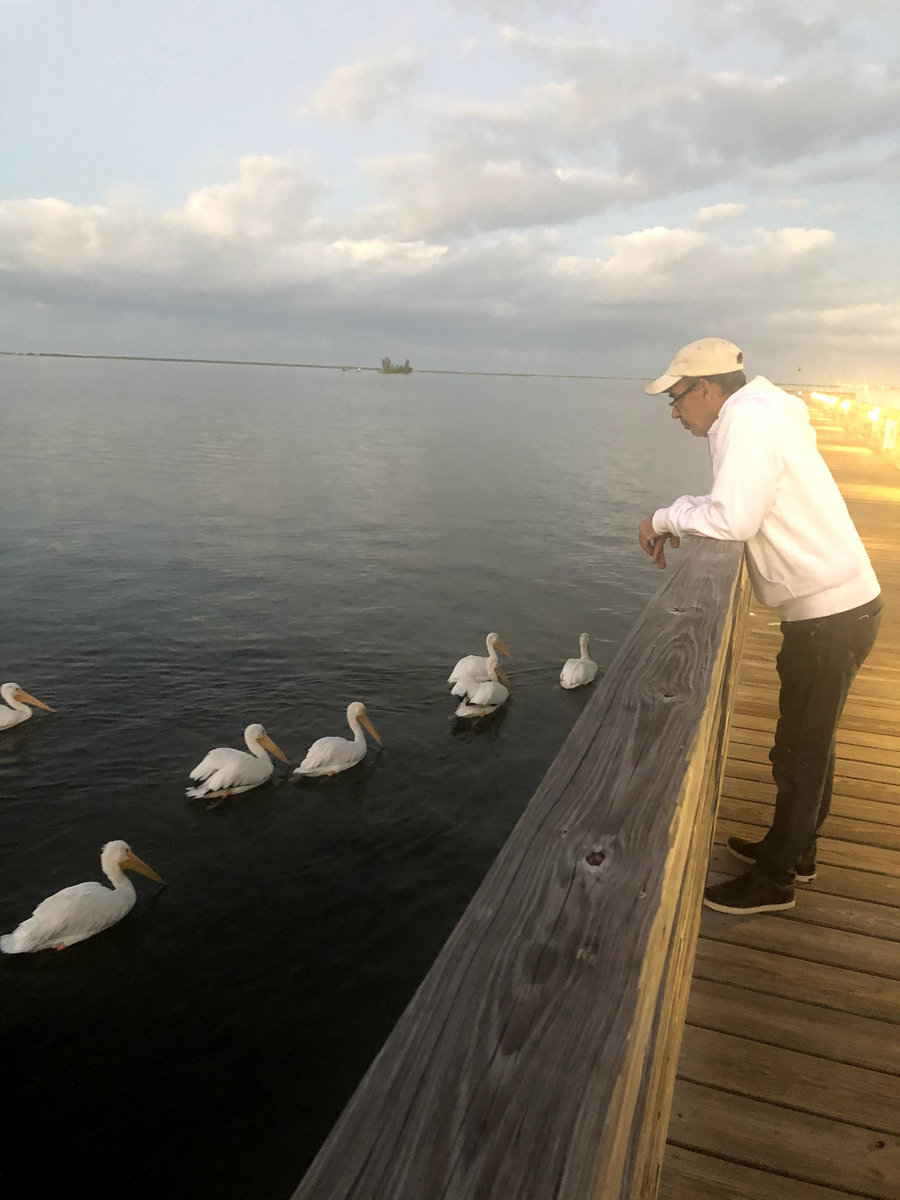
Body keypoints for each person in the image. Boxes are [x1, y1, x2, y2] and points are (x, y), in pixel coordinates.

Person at [638, 337, 881, 915]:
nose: (674, 413)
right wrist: (686, 514)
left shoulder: (744, 422)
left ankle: (776, 880)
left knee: (799, 752)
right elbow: (739, 503)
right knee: (809, 743)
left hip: (828, 614)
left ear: (705, 388)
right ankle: (794, 849)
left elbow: (733, 518)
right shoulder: (766, 413)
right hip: (840, 606)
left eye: (675, 398)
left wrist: (665, 516)